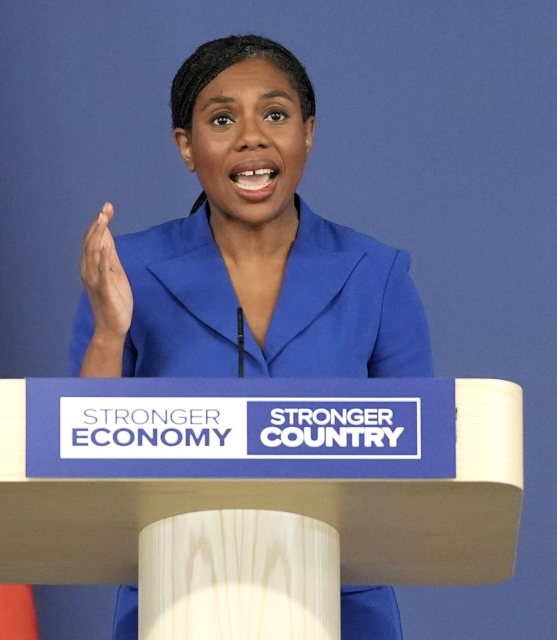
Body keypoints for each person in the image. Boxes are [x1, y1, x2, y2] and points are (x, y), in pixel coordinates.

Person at [69, 34, 432, 640]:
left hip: (346, 607)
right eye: (220, 118)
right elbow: (82, 463)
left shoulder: (378, 272)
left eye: (275, 113)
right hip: (173, 595)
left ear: (308, 133)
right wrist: (111, 331)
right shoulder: (124, 269)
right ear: (186, 146)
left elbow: (421, 459)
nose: (252, 136)